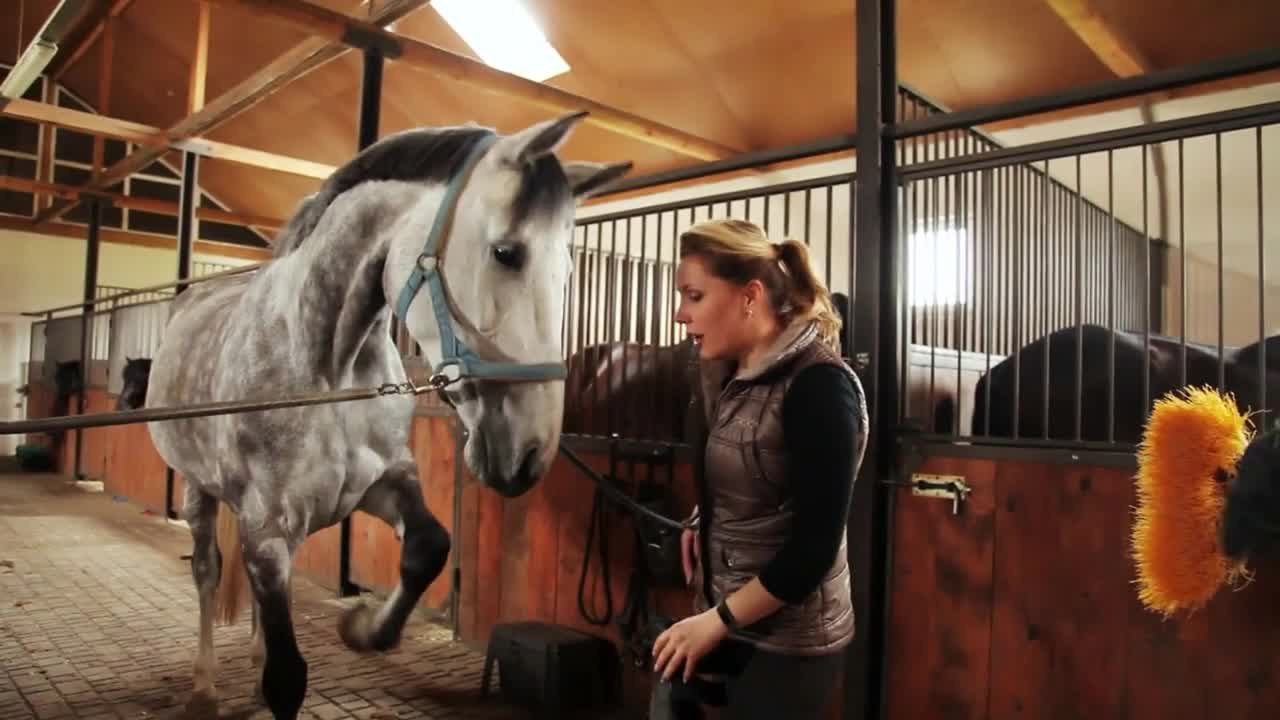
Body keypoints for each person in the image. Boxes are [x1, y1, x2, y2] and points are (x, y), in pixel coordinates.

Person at [648, 218, 869, 719]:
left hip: (788, 644)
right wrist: (705, 516)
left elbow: (813, 550)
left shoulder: (819, 387)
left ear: (749, 295)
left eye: (694, 296)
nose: (680, 314)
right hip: (727, 620)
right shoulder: (725, 373)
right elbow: (753, 477)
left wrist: (715, 621)